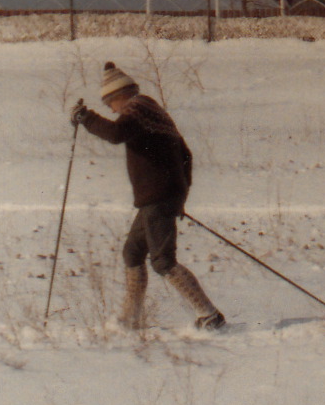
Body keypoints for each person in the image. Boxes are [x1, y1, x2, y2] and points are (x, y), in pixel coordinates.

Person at [71, 62, 227, 331]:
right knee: (132, 252)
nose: (111, 109)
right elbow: (186, 154)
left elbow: (116, 133)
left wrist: (87, 119)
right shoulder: (151, 109)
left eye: (109, 103)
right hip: (159, 198)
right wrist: (180, 194)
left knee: (163, 261)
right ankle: (131, 319)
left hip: (158, 198)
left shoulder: (137, 109)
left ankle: (210, 315)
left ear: (119, 96)